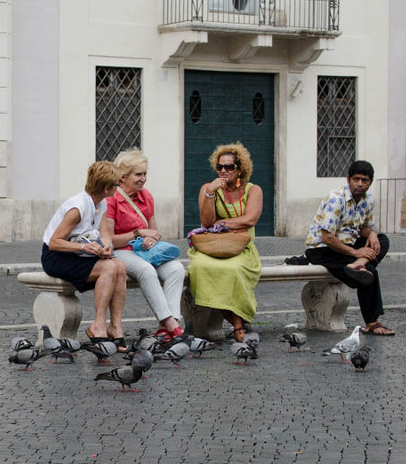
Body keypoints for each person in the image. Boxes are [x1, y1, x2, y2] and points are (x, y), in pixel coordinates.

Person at [103, 149, 185, 340]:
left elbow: (154, 231)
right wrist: (139, 233)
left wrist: (151, 238)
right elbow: (110, 239)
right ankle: (172, 324)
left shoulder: (146, 196)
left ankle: (166, 325)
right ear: (122, 177)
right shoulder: (111, 199)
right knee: (146, 271)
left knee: (176, 269)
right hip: (121, 251)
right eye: (138, 174)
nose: (143, 179)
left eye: (144, 174)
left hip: (146, 251)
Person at [41, 161, 127, 343]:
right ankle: (99, 325)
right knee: (109, 268)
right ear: (106, 188)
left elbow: (105, 234)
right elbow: (54, 243)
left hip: (78, 254)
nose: (117, 189)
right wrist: (83, 247)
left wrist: (106, 247)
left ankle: (115, 326)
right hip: (57, 257)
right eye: (116, 185)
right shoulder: (77, 208)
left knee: (118, 265)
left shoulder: (101, 203)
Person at [305, 160, 394, 335]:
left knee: (382, 240)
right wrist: (356, 252)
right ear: (348, 179)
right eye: (356, 179)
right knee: (368, 272)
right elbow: (327, 237)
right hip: (321, 249)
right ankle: (372, 322)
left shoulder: (368, 200)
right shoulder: (336, 199)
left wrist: (372, 234)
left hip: (348, 245)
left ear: (370, 182)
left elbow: (364, 229)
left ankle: (358, 264)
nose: (360, 184)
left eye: (365, 180)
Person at [188, 142, 263, 342]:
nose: (223, 171)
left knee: (234, 270)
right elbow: (206, 222)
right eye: (220, 167)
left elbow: (250, 219)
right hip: (212, 247)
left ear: (240, 169)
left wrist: (223, 223)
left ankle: (236, 319)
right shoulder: (208, 188)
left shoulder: (253, 190)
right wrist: (210, 193)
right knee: (200, 266)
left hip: (241, 247)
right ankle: (238, 323)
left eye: (229, 167)